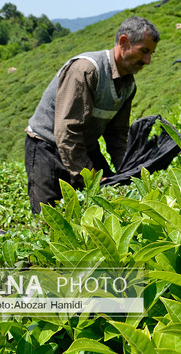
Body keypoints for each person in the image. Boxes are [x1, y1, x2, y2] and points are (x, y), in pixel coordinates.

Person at [24, 16, 160, 215]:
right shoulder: (86, 70)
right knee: (50, 220)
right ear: (124, 42)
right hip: (48, 148)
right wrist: (92, 177)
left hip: (84, 147)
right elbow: (66, 132)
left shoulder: (128, 86)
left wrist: (129, 171)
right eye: (144, 51)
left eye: (151, 54)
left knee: (108, 207)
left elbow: (117, 135)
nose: (148, 61)